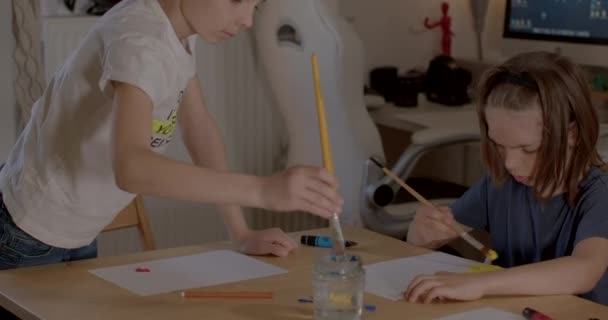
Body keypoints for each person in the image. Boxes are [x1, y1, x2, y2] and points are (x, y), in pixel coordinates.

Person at [0, 0, 344, 270]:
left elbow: (199, 129)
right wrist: (262, 190)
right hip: (27, 231)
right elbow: (131, 167)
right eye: (237, 0)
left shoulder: (177, 31)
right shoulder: (139, 40)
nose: (247, 20)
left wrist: (240, 232)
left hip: (78, 229)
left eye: (255, 5)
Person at [404, 51, 608, 305]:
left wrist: (480, 284)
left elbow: (584, 270)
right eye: (499, 146)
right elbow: (433, 235)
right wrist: (420, 235)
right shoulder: (500, 185)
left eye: (528, 149)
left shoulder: (598, 195)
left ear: (572, 134)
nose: (510, 164)